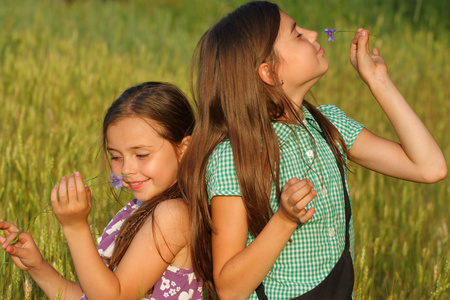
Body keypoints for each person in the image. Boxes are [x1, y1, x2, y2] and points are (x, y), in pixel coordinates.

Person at [178, 1, 448, 299]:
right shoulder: (235, 156)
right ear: (268, 73)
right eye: (297, 34)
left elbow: (430, 168)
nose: (313, 33)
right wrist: (284, 220)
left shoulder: (329, 125)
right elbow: (230, 289)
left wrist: (378, 80)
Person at [1, 82, 203, 299]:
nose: (126, 170)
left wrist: (76, 227)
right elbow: (91, 294)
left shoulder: (174, 215)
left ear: (184, 149)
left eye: (142, 154)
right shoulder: (138, 209)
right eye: (116, 157)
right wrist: (38, 267)